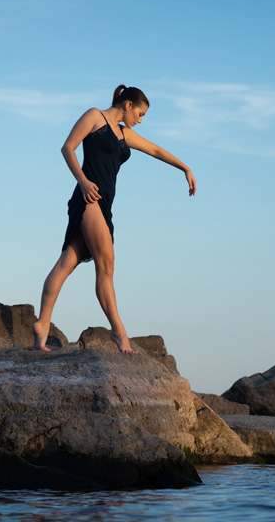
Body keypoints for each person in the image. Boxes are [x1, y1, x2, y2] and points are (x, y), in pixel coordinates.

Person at [32, 85, 196, 353]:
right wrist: (83, 182)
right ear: (128, 104)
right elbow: (68, 148)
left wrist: (185, 168)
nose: (140, 121)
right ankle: (118, 331)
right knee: (106, 263)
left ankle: (42, 324)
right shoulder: (94, 116)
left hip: (104, 205)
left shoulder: (124, 134)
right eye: (140, 114)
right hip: (88, 198)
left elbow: (155, 150)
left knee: (66, 264)